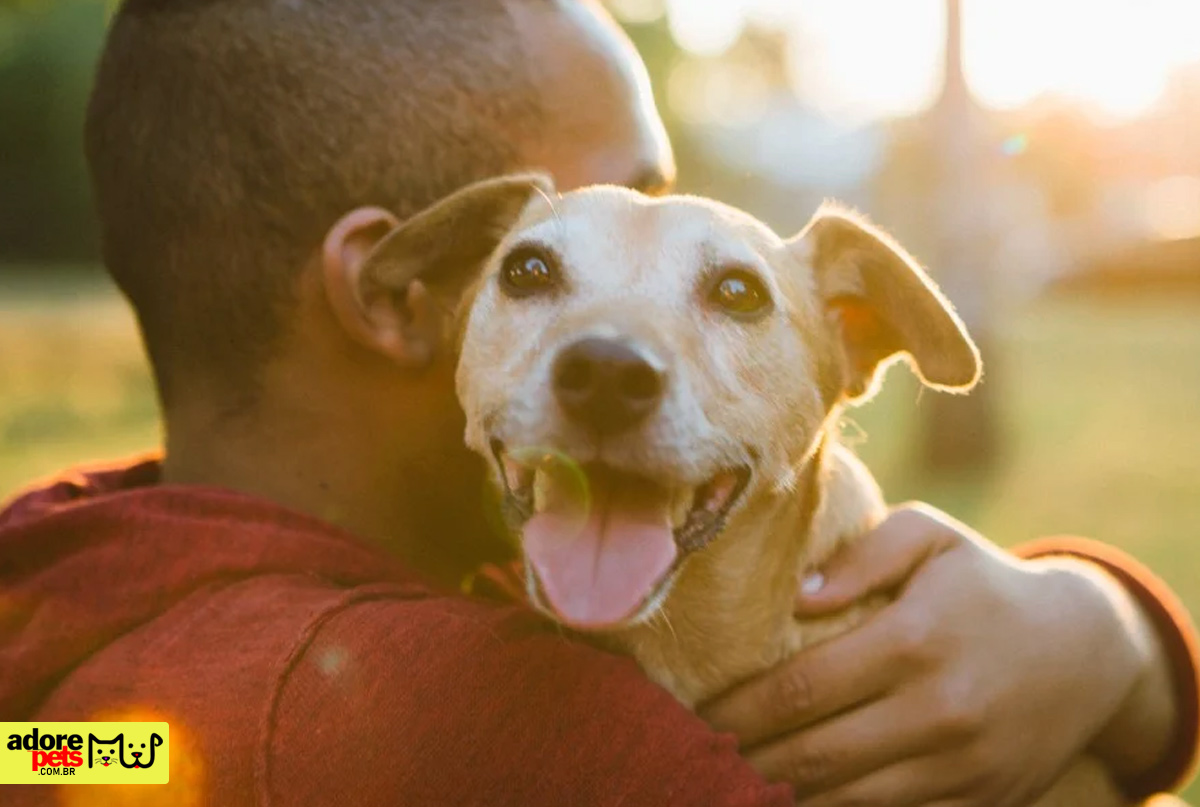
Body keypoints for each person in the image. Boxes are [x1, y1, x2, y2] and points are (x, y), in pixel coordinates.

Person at [0, 0, 1195, 804]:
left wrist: (1108, 630)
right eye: (544, 260)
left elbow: (105, 754)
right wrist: (1120, 655)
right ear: (409, 289)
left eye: (721, 286)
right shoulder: (542, 731)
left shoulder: (87, 579)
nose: (620, 347)